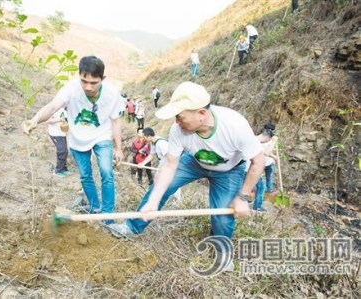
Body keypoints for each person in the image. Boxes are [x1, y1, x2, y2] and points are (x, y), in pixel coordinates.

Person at [108, 82, 265, 251]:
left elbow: (258, 161)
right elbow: (169, 165)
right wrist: (154, 201)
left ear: (201, 114)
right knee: (159, 188)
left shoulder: (235, 125)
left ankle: (222, 250)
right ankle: (132, 227)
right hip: (193, 162)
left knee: (222, 214)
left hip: (229, 170)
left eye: (180, 116)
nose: (176, 122)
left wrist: (242, 198)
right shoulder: (178, 130)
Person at [22, 56, 124, 224]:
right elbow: (53, 106)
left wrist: (118, 148)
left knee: (107, 172)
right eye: (84, 81)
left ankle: (107, 215)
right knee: (85, 176)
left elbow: (115, 120)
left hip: (102, 136)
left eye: (94, 83)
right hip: (77, 139)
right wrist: (34, 120)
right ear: (79, 76)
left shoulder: (112, 93)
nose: (88, 87)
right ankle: (94, 207)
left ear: (102, 79)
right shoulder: (71, 88)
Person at [140, 127, 182, 202]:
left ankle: (177, 201)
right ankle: (153, 198)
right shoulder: (153, 142)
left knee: (173, 183)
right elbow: (151, 155)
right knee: (156, 181)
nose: (143, 139)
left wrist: (166, 168)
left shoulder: (161, 143)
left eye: (144, 137)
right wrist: (142, 164)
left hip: (169, 165)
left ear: (149, 136)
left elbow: (170, 157)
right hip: (162, 164)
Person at [250, 123, 278, 212]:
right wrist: (273, 142)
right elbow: (266, 152)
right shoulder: (257, 142)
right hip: (252, 168)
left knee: (248, 185)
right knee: (260, 187)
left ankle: (244, 200)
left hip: (249, 167)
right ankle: (257, 207)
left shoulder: (254, 140)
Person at [43, 107, 71, 178]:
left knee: (65, 151)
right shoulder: (54, 109)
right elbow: (47, 121)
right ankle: (58, 170)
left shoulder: (66, 109)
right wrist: (59, 119)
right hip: (55, 134)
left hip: (62, 133)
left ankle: (64, 168)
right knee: (62, 151)